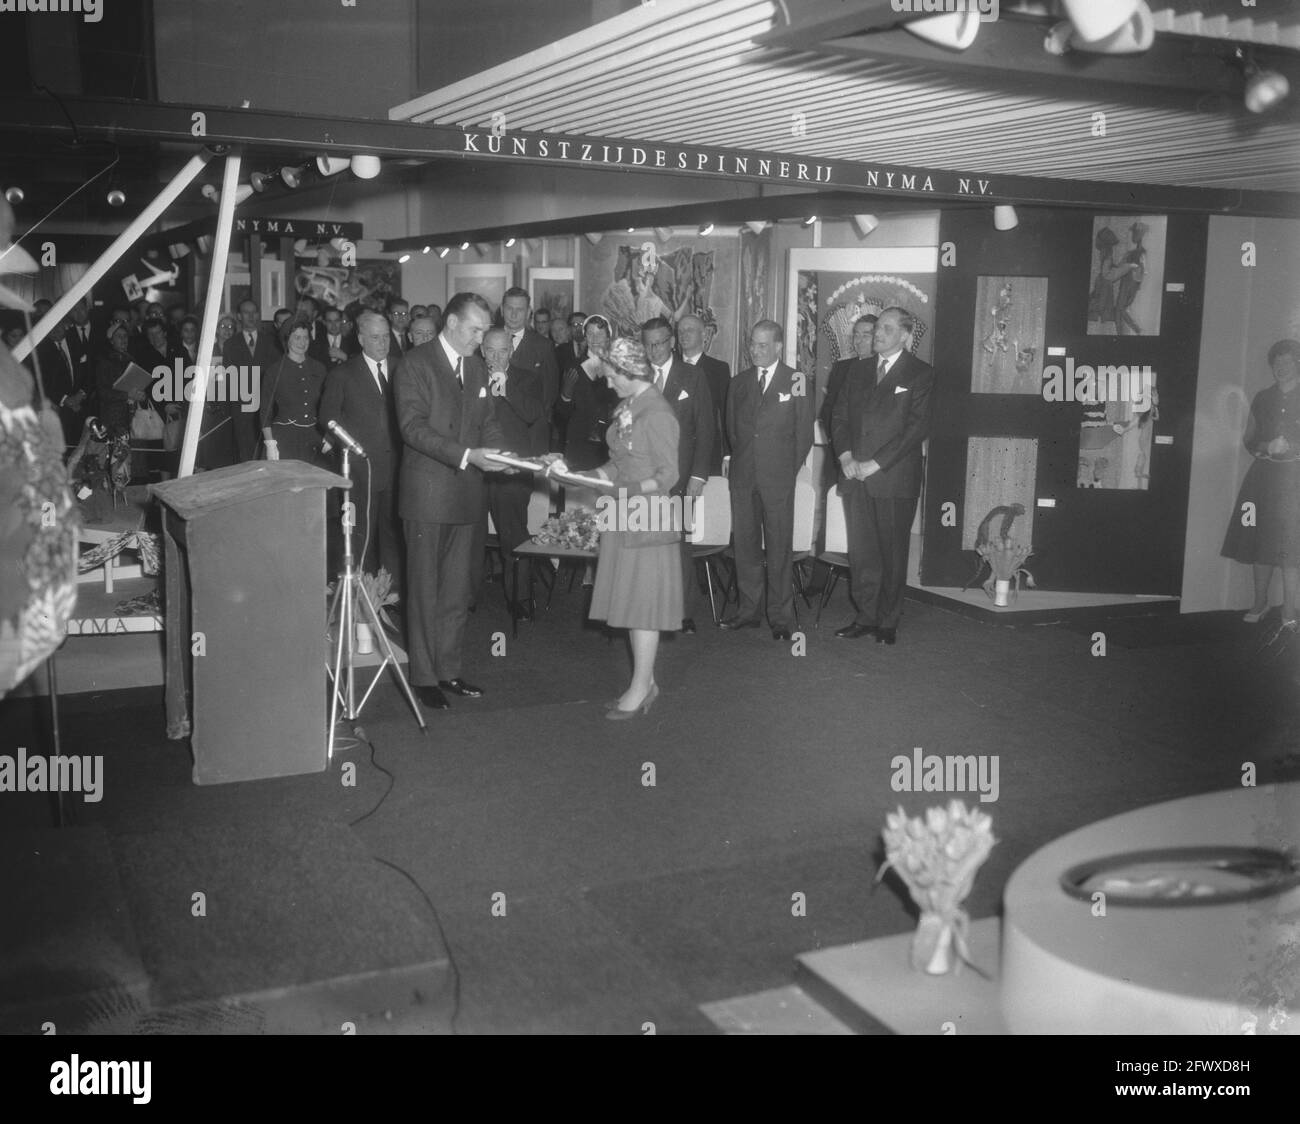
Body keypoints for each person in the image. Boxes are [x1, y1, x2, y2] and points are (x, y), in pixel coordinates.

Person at [546, 338, 681, 719]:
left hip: (647, 517)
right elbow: (617, 464)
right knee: (632, 602)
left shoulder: (657, 413)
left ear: (629, 372)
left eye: (611, 376)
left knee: (642, 608)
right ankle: (646, 682)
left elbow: (669, 476)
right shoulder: (628, 407)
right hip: (624, 513)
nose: (607, 384)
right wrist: (583, 478)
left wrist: (627, 490)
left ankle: (641, 687)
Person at [394, 291, 511, 712]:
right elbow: (412, 428)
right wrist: (467, 456)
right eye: (475, 330)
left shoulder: (477, 367)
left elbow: (489, 423)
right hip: (427, 495)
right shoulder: (414, 364)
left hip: (466, 494)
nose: (481, 340)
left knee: (457, 590)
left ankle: (449, 669)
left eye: (484, 331)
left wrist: (500, 455)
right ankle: (424, 677)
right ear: (451, 323)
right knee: (424, 589)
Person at [831, 307, 935, 646]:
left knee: (892, 551)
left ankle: (888, 621)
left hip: (892, 477)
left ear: (905, 335)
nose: (878, 333)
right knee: (862, 552)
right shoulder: (858, 370)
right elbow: (838, 416)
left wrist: (875, 464)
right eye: (877, 327)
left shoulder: (921, 373)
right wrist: (846, 455)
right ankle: (865, 616)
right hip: (854, 473)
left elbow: (916, 428)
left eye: (887, 328)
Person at [722, 319, 815, 641]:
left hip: (778, 479)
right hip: (744, 477)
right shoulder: (738, 383)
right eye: (752, 344)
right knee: (745, 547)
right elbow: (733, 432)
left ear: (777, 346)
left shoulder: (797, 380)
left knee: (779, 548)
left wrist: (784, 472)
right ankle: (748, 612)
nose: (755, 350)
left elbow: (803, 434)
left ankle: (780, 616)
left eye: (763, 345)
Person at [319, 310, 404, 590]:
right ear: (361, 339)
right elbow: (327, 419)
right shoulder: (343, 374)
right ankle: (363, 596)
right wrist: (352, 449)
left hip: (398, 469)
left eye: (386, 337)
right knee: (360, 534)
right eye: (376, 338)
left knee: (393, 534)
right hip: (360, 471)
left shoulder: (403, 368)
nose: (383, 343)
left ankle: (389, 594)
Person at [1221, 339, 1300, 629]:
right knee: (1259, 539)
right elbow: (1249, 441)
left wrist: (1293, 445)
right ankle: (1260, 602)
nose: (1282, 367)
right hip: (1263, 479)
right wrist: (1268, 445)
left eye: (1288, 361)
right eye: (1277, 362)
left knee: (1293, 544)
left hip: (1296, 480)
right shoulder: (1262, 398)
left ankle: (1290, 610)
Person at [642, 315, 712, 633]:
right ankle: (649, 607)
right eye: (648, 344)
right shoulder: (636, 376)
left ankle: (683, 613)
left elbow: (706, 429)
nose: (654, 349)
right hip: (642, 477)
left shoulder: (692, 376)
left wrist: (698, 475)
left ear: (671, 341)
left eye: (660, 342)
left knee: (679, 544)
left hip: (681, 477)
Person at [481, 327, 546, 588]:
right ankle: (470, 601)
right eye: (491, 351)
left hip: (512, 471)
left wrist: (506, 387)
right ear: (482, 351)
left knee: (513, 536)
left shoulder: (528, 378)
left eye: (503, 351)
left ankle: (520, 599)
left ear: (512, 351)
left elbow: (533, 414)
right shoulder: (470, 376)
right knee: (471, 537)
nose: (496, 357)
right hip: (477, 467)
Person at [260, 315, 328, 465]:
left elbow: (328, 406)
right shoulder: (274, 371)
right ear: (287, 339)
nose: (302, 342)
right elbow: (266, 412)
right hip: (284, 439)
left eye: (305, 337)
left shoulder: (319, 368)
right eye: (297, 337)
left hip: (314, 439)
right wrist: (270, 444)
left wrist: (329, 436)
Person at [555, 314, 618, 471]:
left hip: (610, 445)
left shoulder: (618, 368)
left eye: (599, 333)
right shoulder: (573, 366)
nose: (594, 338)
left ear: (609, 337)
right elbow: (561, 415)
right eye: (590, 333)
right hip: (580, 444)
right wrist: (566, 395)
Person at [225, 299, 282, 461]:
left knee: (268, 452)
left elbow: (276, 374)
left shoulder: (272, 342)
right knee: (246, 453)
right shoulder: (231, 344)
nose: (251, 316)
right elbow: (230, 378)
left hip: (268, 407)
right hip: (242, 409)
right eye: (246, 312)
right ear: (239, 316)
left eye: (254, 312)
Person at [676, 312, 730, 474]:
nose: (684, 335)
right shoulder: (670, 367)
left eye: (689, 330)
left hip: (707, 453)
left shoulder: (719, 369)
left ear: (704, 335)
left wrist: (727, 454)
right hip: (674, 453)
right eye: (680, 331)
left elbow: (726, 413)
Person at [501, 286, 560, 424]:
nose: (514, 315)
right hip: (494, 427)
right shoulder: (487, 340)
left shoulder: (543, 346)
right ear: (502, 310)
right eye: (510, 309)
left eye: (520, 310)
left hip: (528, 426)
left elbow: (549, 392)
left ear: (528, 313)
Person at [821, 313, 877, 442]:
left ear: (878, 338)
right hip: (840, 447)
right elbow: (828, 409)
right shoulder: (841, 368)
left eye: (866, 335)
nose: (859, 340)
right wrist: (838, 441)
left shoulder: (885, 369)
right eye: (856, 335)